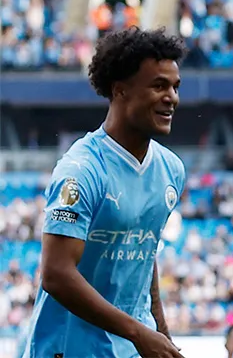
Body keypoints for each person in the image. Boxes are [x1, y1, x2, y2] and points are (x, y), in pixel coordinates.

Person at [21, 28, 189, 358]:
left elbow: (144, 250)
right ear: (120, 90)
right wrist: (140, 333)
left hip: (130, 348)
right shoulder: (82, 170)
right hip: (71, 350)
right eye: (158, 86)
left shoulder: (171, 169)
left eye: (174, 87)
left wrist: (161, 332)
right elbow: (56, 274)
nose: (172, 97)